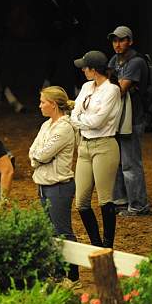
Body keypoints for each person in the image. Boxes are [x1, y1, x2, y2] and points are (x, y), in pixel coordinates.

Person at [71, 51, 122, 248]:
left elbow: (98, 121)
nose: (83, 70)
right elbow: (75, 111)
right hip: (84, 145)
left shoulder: (111, 90)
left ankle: (108, 244)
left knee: (104, 199)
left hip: (104, 145)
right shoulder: (86, 86)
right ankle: (96, 243)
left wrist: (80, 120)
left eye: (86, 67)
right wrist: (83, 121)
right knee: (81, 202)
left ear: (94, 70)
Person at [29, 86, 78, 280]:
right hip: (43, 185)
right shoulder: (45, 125)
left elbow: (42, 154)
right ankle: (58, 273)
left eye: (43, 102)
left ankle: (73, 276)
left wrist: (37, 157)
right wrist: (37, 158)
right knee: (50, 230)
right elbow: (33, 151)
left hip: (59, 186)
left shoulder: (64, 128)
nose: (40, 105)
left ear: (54, 105)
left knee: (62, 231)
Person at [107, 26, 151, 216]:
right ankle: (121, 201)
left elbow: (119, 90)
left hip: (133, 119)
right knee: (117, 161)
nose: (117, 44)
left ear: (130, 41)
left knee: (130, 163)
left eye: (121, 40)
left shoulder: (136, 62)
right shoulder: (114, 60)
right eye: (114, 40)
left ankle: (139, 205)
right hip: (119, 118)